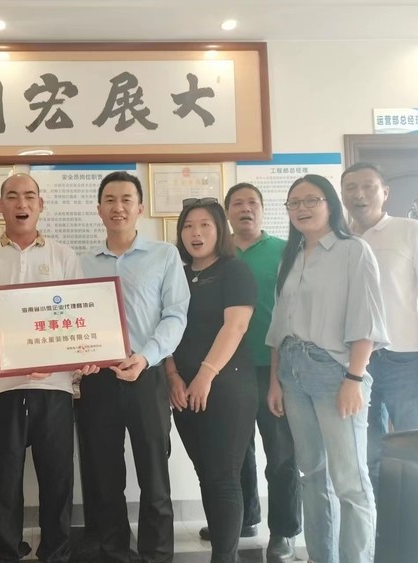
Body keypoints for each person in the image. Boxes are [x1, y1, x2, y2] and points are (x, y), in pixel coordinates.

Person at [266, 174, 388, 563]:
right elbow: (279, 325)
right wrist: (275, 381)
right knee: (312, 476)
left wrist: (354, 378)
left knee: (350, 481)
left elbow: (366, 321)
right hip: (292, 372)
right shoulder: (291, 256)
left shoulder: (353, 251)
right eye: (294, 203)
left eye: (311, 200)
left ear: (330, 204)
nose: (301, 209)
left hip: (335, 372)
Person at [0, 173, 85, 563]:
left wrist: (69, 354)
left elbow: (78, 315)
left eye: (30, 196)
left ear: (40, 204)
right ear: (0, 206)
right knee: (4, 477)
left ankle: (56, 553)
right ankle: (6, 552)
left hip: (55, 385)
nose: (22, 203)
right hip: (1, 385)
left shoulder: (64, 256)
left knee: (57, 477)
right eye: (13, 196)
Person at [78, 171, 189, 563]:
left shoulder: (164, 255)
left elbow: (175, 315)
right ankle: (114, 551)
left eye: (126, 199)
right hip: (98, 380)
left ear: (140, 207)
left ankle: (157, 554)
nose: (118, 207)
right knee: (104, 475)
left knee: (154, 474)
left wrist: (146, 356)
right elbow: (74, 321)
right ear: (99, 209)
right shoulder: (82, 263)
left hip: (147, 374)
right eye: (110, 200)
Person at [199, 183, 300, 561]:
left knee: (281, 454)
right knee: (235, 453)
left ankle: (284, 531)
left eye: (252, 203)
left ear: (263, 208)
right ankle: (243, 519)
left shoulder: (284, 251)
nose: (246, 209)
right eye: (238, 203)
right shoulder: (218, 253)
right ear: (227, 212)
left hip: (274, 367)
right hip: (228, 369)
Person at [165, 197, 257, 563]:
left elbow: (235, 326)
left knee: (223, 476)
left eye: (205, 225)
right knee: (206, 473)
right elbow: (164, 327)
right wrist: (172, 375)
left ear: (220, 230)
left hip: (226, 385)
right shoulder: (177, 273)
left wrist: (205, 374)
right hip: (182, 388)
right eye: (188, 226)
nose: (196, 233)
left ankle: (224, 556)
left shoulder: (234, 270)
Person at [340, 163, 418, 490]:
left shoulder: (412, 231)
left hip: (406, 359)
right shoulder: (338, 240)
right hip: (354, 363)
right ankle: (378, 522)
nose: (359, 194)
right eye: (350, 187)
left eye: (368, 186)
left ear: (385, 192)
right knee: (365, 456)